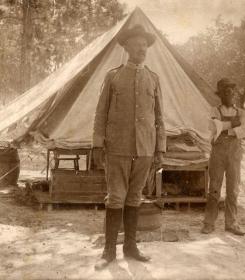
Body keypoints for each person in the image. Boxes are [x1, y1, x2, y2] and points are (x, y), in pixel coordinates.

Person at [92, 24, 166, 270]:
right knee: (115, 197)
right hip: (117, 148)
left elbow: (160, 118)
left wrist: (160, 149)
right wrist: (97, 144)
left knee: (135, 197)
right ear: (126, 47)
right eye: (137, 44)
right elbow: (100, 112)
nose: (141, 48)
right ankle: (108, 251)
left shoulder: (154, 79)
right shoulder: (112, 76)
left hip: (145, 149)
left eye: (144, 45)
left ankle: (131, 247)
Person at [201, 78, 245, 236]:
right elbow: (212, 127)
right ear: (221, 95)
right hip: (218, 153)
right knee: (214, 188)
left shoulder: (242, 113)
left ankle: (232, 223)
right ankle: (209, 223)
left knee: (233, 189)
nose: (230, 95)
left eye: (232, 92)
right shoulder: (214, 111)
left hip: (235, 154)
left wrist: (225, 129)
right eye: (226, 92)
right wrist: (232, 125)